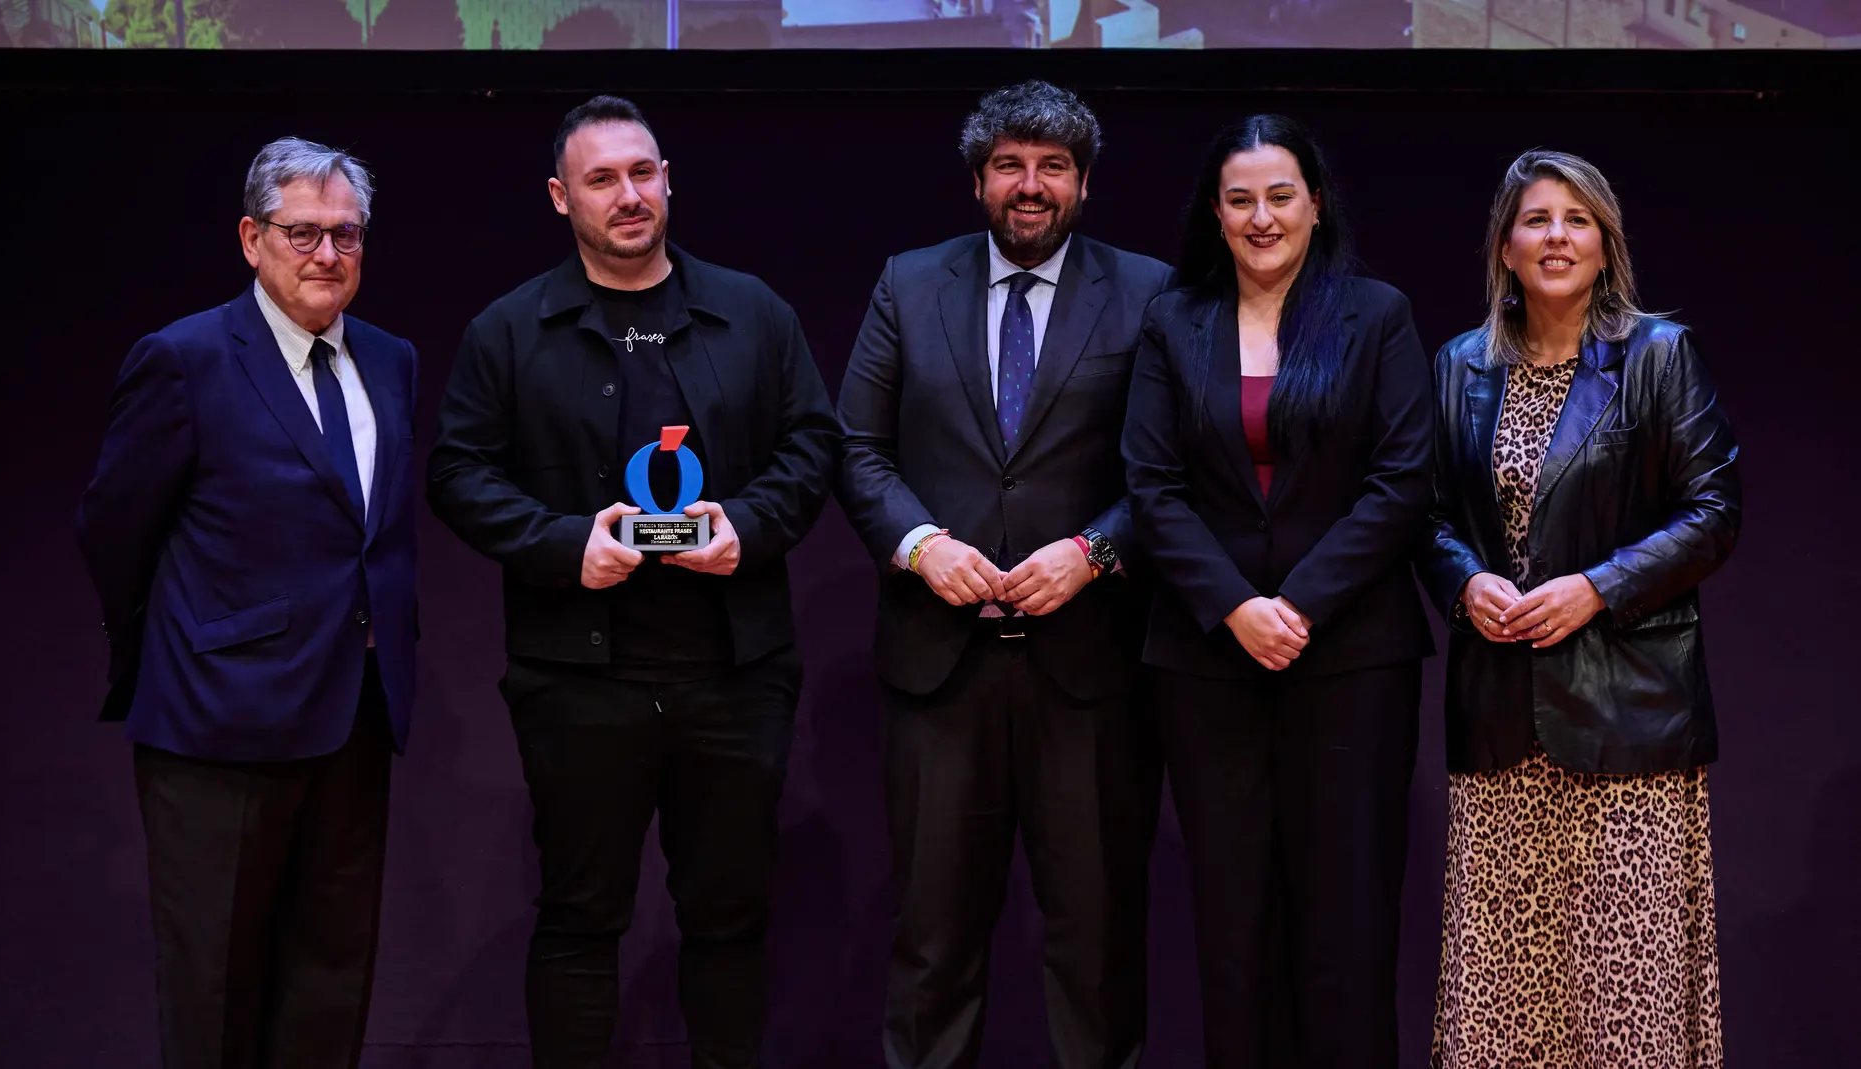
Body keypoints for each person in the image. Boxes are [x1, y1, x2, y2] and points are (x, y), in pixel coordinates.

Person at [425, 95, 839, 1069]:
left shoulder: (753, 310)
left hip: (735, 674)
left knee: (729, 921)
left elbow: (814, 442)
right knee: (579, 917)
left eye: (643, 172)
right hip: (578, 678)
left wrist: (747, 524)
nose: (628, 194)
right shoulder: (509, 329)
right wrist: (566, 544)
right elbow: (457, 473)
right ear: (560, 197)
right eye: (602, 179)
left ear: (668, 181)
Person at [836, 80, 1173, 1069]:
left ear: (1083, 184)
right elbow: (855, 448)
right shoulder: (906, 284)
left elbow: (1171, 467)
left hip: (1093, 673)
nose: (1030, 187)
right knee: (932, 943)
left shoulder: (1150, 291)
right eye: (1009, 167)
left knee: (1098, 947)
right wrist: (920, 544)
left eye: (1052, 168)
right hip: (940, 671)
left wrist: (1093, 551)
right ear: (979, 180)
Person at [77, 137, 419, 1069]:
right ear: (250, 238)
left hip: (353, 714)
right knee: (215, 990)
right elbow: (115, 528)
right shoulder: (184, 359)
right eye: (301, 232)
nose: (325, 254)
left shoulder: (390, 360)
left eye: (345, 234)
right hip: (215, 727)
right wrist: (181, 651)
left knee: (331, 980)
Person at [1119, 114, 1434, 1068]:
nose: (1262, 217)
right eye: (1241, 199)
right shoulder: (1175, 320)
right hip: (1208, 662)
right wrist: (1236, 608)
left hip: (1350, 659)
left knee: (1347, 922)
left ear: (1315, 204)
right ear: (1216, 215)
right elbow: (1151, 484)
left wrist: (1296, 604)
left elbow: (1402, 479)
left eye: (1280, 195)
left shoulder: (1376, 313)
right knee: (1233, 924)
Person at [1421, 149, 1739, 1068]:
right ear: (1505, 247)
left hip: (1630, 717)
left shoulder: (1658, 354)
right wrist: (1462, 580)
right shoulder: (1458, 366)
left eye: (1577, 219)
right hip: (1499, 716)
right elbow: (1428, 517)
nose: (1556, 236)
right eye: (1536, 219)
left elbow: (1716, 511)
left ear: (1605, 245)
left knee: (1623, 995)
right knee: (1503, 994)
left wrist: (1598, 586)